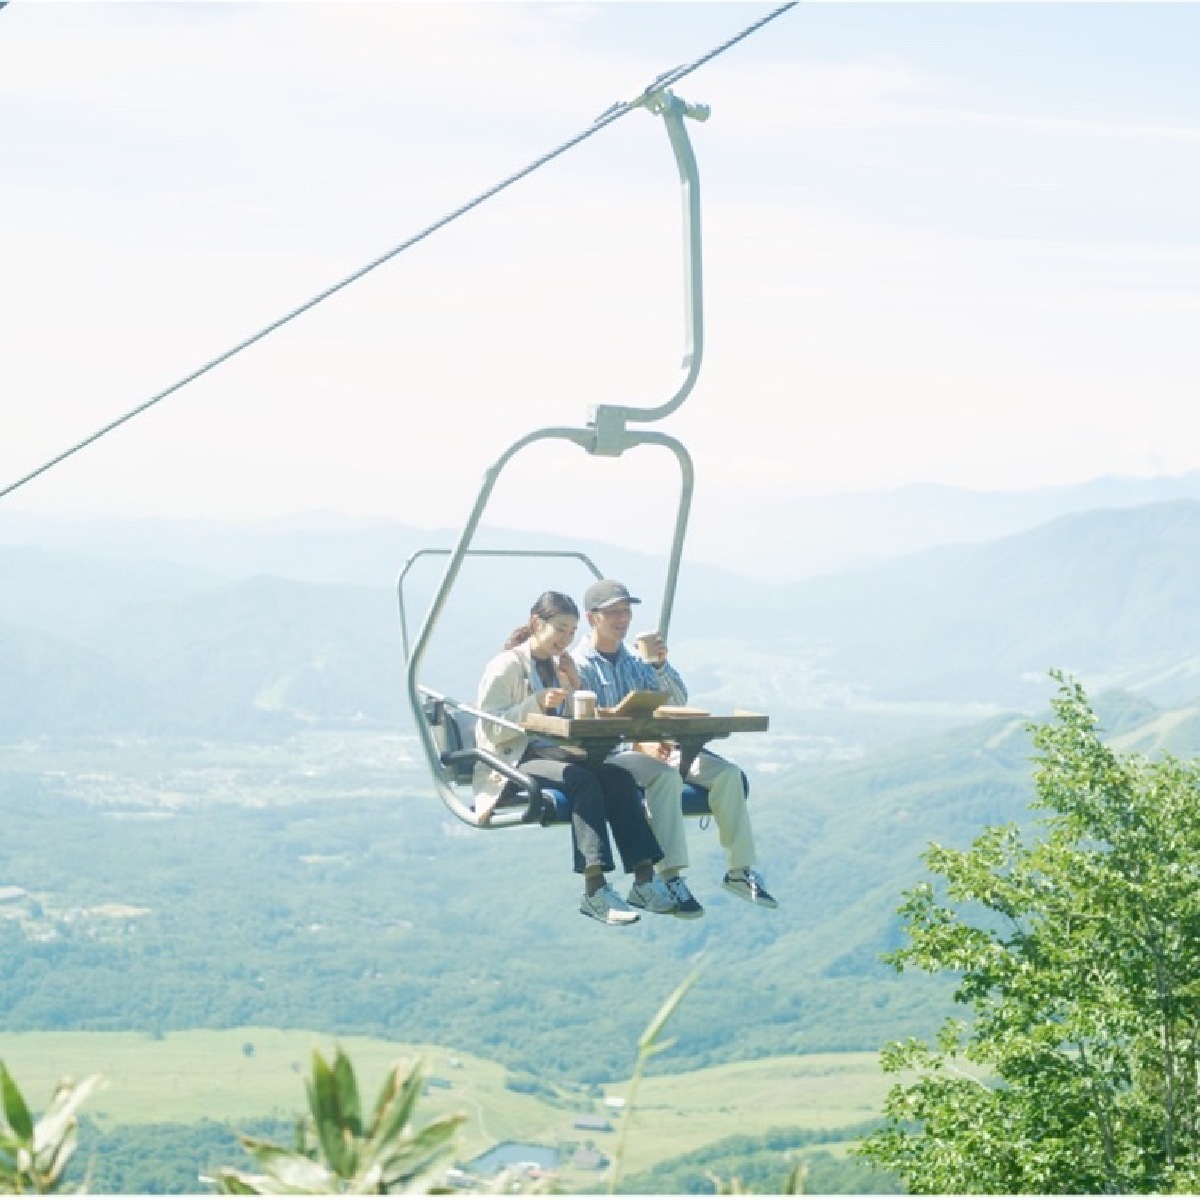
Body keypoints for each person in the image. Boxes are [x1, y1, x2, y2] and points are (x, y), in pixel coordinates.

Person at [572, 579, 778, 915]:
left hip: (658, 746)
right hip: (614, 756)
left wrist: (660, 665)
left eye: (626, 612)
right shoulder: (580, 664)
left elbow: (679, 700)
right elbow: (589, 721)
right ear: (593, 617)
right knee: (663, 777)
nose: (622, 620)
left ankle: (739, 870)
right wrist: (642, 741)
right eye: (614, 614)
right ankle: (670, 876)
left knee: (726, 775)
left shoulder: (635, 660)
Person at [473, 590, 678, 926]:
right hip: (514, 758)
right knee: (581, 781)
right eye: (560, 630)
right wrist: (536, 702)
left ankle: (644, 877)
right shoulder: (507, 665)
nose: (566, 639)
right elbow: (490, 731)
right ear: (537, 623)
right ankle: (595, 887)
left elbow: (568, 721)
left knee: (617, 778)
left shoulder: (558, 666)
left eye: (571, 632)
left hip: (552, 750)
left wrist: (574, 685)